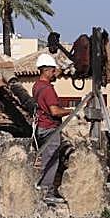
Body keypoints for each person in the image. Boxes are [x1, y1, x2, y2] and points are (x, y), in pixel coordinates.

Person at [32, 52, 69, 205]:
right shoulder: (48, 89)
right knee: (51, 160)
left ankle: (43, 189)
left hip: (41, 127)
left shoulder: (37, 86)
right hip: (50, 128)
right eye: (53, 71)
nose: (54, 73)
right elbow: (54, 111)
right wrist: (71, 111)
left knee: (47, 159)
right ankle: (46, 191)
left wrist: (63, 69)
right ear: (46, 70)